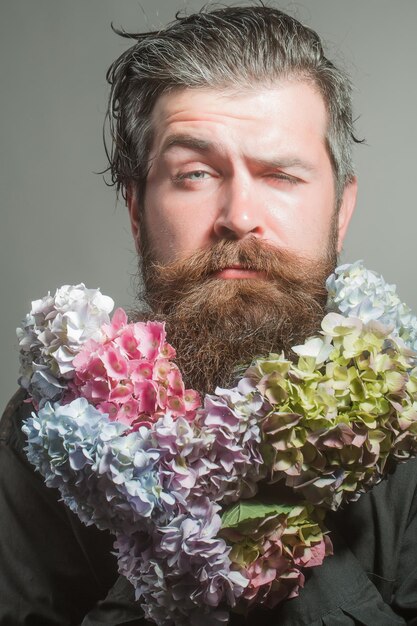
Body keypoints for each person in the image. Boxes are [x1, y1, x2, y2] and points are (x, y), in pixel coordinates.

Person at [1, 4, 416, 625]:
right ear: (138, 211)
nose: (239, 215)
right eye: (195, 173)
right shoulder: (47, 433)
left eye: (281, 174)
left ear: (341, 210)